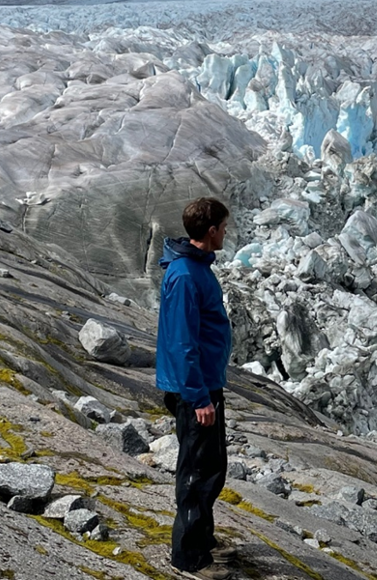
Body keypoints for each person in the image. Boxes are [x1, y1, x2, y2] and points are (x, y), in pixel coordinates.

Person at [156, 197, 238, 579]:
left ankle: (201, 539)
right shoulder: (187, 275)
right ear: (210, 231)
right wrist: (198, 397)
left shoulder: (195, 268)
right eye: (223, 227)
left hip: (204, 385)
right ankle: (189, 559)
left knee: (211, 467)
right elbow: (181, 342)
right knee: (197, 472)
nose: (226, 233)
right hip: (197, 391)